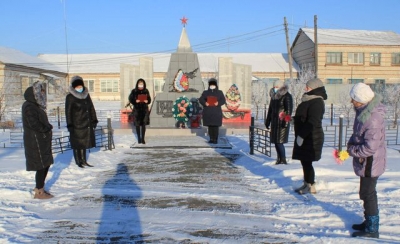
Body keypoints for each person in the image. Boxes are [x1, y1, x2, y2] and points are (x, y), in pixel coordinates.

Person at [347, 83, 385, 239]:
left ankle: (372, 228)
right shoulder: (364, 112)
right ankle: (368, 221)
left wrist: (353, 151)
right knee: (365, 193)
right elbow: (358, 134)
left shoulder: (372, 118)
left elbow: (371, 146)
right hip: (367, 160)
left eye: (353, 99)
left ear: (361, 100)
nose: (351, 102)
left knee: (368, 194)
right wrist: (351, 143)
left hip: (371, 161)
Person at [292, 78, 327, 194]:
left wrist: (302, 135)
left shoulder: (317, 102)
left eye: (308, 86)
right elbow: (303, 116)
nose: (305, 88)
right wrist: (293, 120)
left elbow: (313, 120)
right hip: (306, 135)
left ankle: (311, 185)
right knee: (304, 161)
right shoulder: (308, 99)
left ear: (315, 88)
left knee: (307, 162)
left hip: (312, 136)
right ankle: (307, 183)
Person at [22, 81, 54, 199]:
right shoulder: (29, 106)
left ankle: (40, 188)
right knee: (41, 165)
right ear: (35, 93)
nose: (43, 93)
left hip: (41, 140)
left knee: (46, 164)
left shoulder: (35, 105)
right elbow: (34, 124)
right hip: (35, 141)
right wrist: (46, 128)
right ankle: (39, 191)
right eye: (41, 91)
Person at [65, 76, 98, 168]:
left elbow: (91, 108)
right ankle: (78, 161)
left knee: (84, 143)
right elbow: (68, 112)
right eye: (77, 87)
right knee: (77, 143)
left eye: (81, 86)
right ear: (74, 87)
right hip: (76, 124)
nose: (79, 88)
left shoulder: (86, 95)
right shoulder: (70, 97)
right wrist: (70, 124)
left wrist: (94, 119)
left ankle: (83, 160)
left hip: (86, 123)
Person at [265, 80, 293, 164]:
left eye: (276, 87)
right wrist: (268, 121)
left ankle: (283, 159)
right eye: (274, 87)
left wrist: (286, 122)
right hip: (275, 122)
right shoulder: (274, 97)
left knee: (280, 142)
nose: (275, 88)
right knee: (276, 141)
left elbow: (288, 110)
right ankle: (279, 158)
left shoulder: (287, 96)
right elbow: (270, 110)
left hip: (282, 122)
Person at [199, 78, 226, 144]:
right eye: (211, 84)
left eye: (213, 84)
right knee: (210, 126)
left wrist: (218, 103)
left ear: (216, 85)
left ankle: (215, 139)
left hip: (216, 112)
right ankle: (211, 138)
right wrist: (205, 103)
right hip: (208, 112)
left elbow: (223, 100)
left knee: (215, 126)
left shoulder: (219, 92)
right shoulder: (205, 92)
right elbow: (201, 99)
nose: (212, 85)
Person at [128, 78, 151, 144]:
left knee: (143, 125)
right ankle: (139, 138)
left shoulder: (146, 91)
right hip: (137, 110)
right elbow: (130, 99)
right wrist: (135, 101)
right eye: (139, 84)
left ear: (144, 84)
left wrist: (147, 101)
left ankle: (143, 138)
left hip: (144, 110)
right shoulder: (134, 91)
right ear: (137, 84)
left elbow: (149, 99)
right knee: (137, 125)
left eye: (142, 84)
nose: (141, 85)